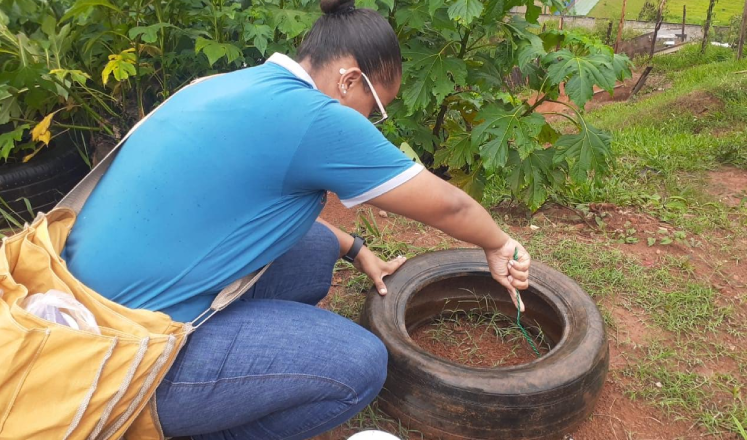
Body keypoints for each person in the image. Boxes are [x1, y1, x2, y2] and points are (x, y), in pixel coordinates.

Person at [61, 0, 531, 438]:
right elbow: (450, 206)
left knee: (316, 252)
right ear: (350, 81)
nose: (372, 123)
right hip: (119, 362)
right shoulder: (317, 117)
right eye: (377, 111)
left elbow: (241, 207)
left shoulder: (234, 84)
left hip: (76, 309)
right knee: (359, 364)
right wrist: (498, 244)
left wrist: (357, 248)